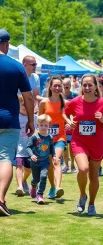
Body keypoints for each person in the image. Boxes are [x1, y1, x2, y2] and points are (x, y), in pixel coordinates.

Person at [65, 74, 103, 215]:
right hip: (79, 140)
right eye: (84, 85)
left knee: (94, 176)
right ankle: (82, 195)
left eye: (90, 85)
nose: (87, 88)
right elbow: (65, 112)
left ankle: (92, 204)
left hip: (97, 142)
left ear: (95, 87)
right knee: (83, 169)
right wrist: (69, 122)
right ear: (81, 86)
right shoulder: (75, 101)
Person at [0, 29, 34, 216]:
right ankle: (1, 199)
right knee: (5, 160)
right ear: (7, 44)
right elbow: (28, 98)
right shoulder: (17, 67)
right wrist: (30, 120)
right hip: (9, 119)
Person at [39, 76, 70, 199]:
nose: (57, 88)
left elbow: (71, 116)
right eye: (55, 85)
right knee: (50, 164)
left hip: (60, 137)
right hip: (46, 138)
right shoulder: (44, 103)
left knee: (56, 160)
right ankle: (52, 186)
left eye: (59, 85)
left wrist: (69, 122)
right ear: (50, 87)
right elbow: (40, 119)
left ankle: (58, 187)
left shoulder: (65, 103)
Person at [27, 114, 57, 204]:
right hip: (35, 162)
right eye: (41, 125)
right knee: (36, 179)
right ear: (37, 125)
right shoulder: (34, 137)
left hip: (45, 162)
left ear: (49, 126)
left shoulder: (50, 137)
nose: (43, 127)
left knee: (43, 176)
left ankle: (40, 195)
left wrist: (54, 156)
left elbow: (52, 148)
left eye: (46, 125)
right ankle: (33, 185)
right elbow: (28, 147)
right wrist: (31, 155)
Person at [15, 96, 37, 196]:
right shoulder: (15, 117)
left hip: (30, 148)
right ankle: (19, 186)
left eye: (26, 104)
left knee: (28, 169)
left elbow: (38, 130)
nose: (24, 106)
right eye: (22, 104)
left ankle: (24, 180)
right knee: (19, 166)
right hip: (18, 146)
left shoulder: (33, 117)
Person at [62, 78, 78, 174]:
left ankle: (72, 164)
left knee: (72, 147)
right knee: (64, 147)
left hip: (72, 124)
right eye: (64, 84)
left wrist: (72, 122)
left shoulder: (74, 95)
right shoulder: (60, 96)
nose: (66, 86)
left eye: (68, 84)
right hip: (62, 124)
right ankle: (66, 165)